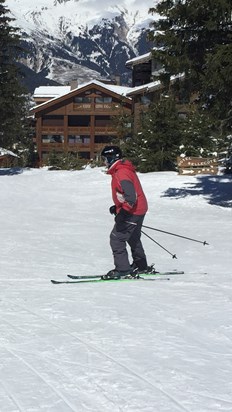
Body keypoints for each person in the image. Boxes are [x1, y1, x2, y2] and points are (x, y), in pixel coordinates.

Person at [101, 145, 149, 279]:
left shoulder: (121, 172)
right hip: (139, 208)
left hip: (133, 210)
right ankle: (141, 265)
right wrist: (116, 207)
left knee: (116, 238)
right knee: (133, 237)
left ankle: (123, 269)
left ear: (112, 158)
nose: (104, 162)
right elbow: (124, 194)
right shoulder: (122, 169)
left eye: (105, 159)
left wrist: (123, 212)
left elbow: (130, 197)